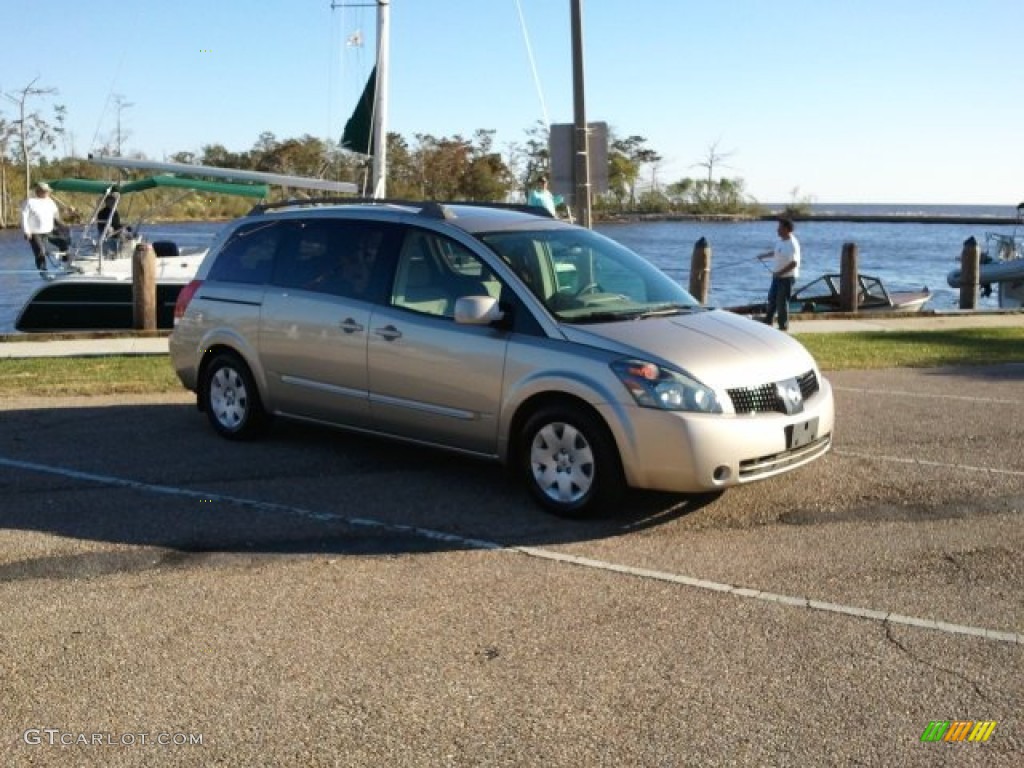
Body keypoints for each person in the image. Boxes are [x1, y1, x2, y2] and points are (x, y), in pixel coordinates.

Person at [757, 218, 801, 331]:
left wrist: (780, 273)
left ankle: (783, 326)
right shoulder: (781, 241)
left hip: (787, 278)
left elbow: (794, 263)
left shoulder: (792, 243)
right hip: (777, 276)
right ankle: (768, 321)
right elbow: (777, 252)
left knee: (781, 302)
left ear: (786, 229)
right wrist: (764, 255)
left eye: (780, 227)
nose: (777, 230)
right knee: (772, 298)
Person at [20, 181, 63, 272]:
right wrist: (26, 231)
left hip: (49, 231)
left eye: (47, 191)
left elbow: (56, 215)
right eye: (44, 191)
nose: (47, 193)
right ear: (38, 191)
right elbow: (24, 216)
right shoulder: (30, 202)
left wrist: (67, 214)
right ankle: (43, 270)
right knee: (40, 251)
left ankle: (66, 261)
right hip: (35, 233)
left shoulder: (50, 202)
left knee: (63, 242)